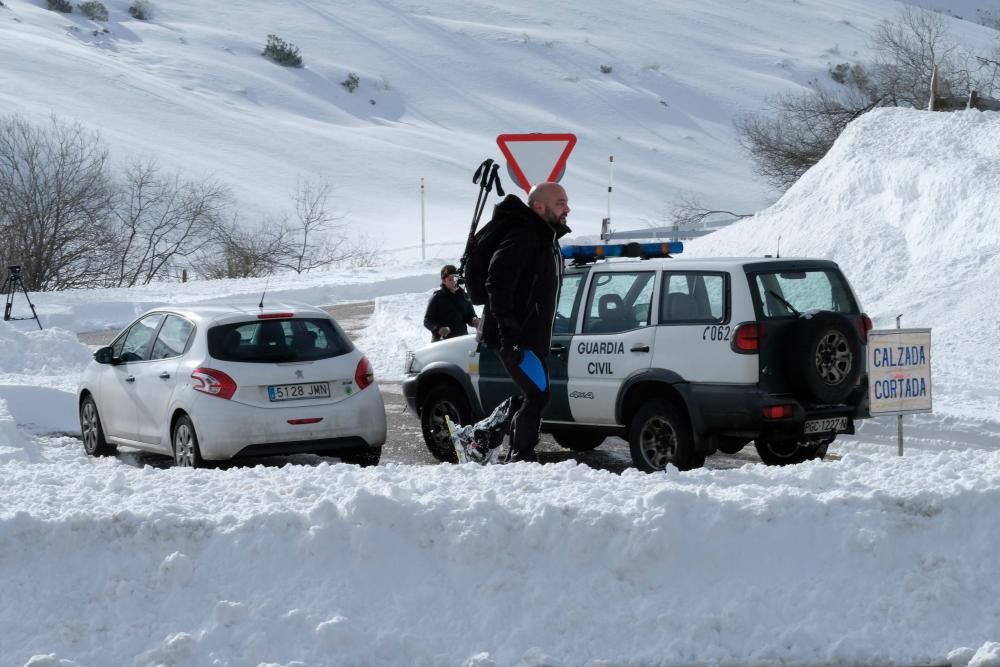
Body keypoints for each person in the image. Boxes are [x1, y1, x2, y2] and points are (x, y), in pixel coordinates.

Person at [479, 181, 571, 463]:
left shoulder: (545, 238)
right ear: (539, 207)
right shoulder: (524, 236)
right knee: (537, 394)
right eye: (560, 203)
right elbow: (497, 282)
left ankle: (484, 435)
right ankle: (521, 456)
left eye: (566, 202)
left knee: (535, 393)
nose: (567, 208)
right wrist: (510, 335)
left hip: (532, 335)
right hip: (517, 336)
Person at [423, 264, 480, 343]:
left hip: (462, 338)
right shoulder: (437, 298)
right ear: (443, 281)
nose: (454, 282)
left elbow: (470, 316)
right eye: (450, 279)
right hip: (441, 341)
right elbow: (427, 321)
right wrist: (438, 329)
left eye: (455, 278)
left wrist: (475, 321)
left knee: (472, 355)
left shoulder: (464, 295)